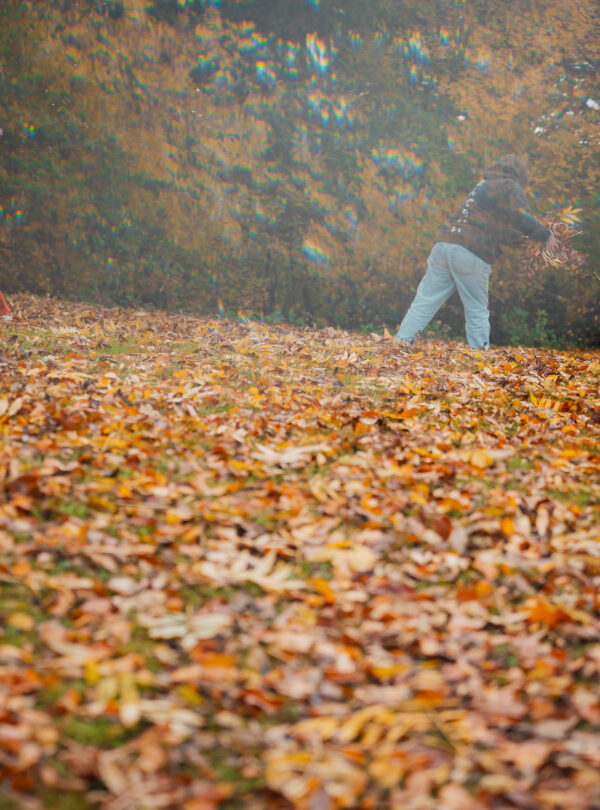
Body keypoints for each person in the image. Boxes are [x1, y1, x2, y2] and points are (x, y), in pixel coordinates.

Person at [394, 154, 560, 350]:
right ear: (520, 174)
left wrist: (523, 242)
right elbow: (519, 216)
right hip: (470, 251)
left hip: (444, 243)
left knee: (425, 300)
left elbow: (496, 226)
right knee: (476, 308)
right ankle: (479, 356)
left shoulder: (482, 185)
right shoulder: (509, 185)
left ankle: (401, 345)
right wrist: (545, 235)